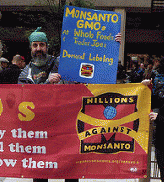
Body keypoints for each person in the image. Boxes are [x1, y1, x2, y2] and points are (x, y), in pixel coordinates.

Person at [19, 27, 121, 182]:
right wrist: (47, 83)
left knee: (71, 168)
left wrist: (110, 45)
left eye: (42, 45)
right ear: (30, 48)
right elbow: (25, 98)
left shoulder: (61, 62)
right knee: (40, 171)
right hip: (41, 130)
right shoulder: (24, 73)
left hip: (67, 126)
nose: (38, 48)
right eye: (35, 45)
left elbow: (91, 63)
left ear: (47, 47)